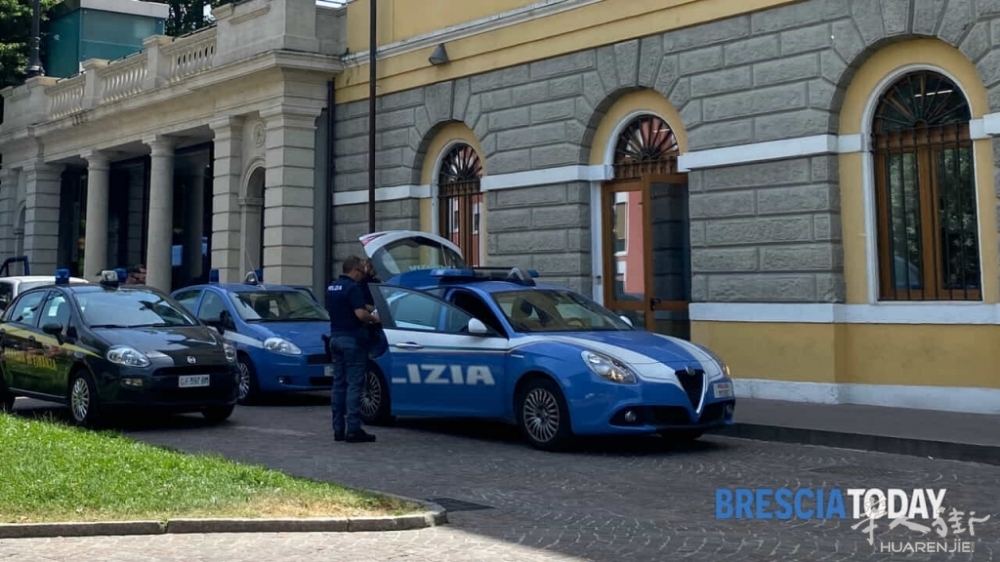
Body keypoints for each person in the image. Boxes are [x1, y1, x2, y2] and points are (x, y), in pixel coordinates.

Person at [326, 255, 380, 443]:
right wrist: (374, 318)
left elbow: (345, 307)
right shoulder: (353, 287)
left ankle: (338, 429)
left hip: (335, 338)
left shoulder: (333, 287)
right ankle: (353, 429)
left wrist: (365, 306)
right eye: (360, 272)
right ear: (355, 270)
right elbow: (360, 314)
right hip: (352, 340)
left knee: (338, 385)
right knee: (354, 385)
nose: (361, 275)